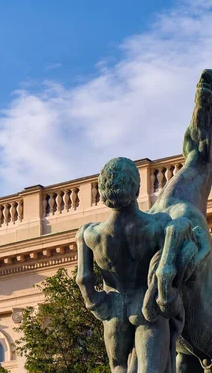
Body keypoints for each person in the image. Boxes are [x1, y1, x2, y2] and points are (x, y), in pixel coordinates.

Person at [76, 157, 178, 373]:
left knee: (119, 367)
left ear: (103, 191)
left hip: (113, 311)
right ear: (137, 188)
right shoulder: (160, 224)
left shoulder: (90, 234)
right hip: (147, 310)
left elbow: (84, 280)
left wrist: (100, 305)